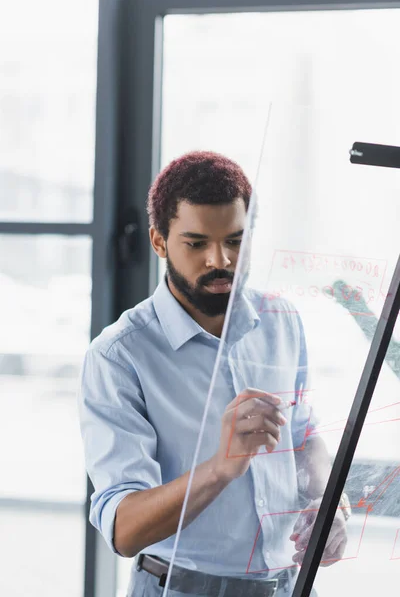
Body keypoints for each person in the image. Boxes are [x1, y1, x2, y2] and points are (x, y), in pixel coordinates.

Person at [78, 151, 348, 597]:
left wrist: (327, 500)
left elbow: (303, 435)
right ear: (159, 241)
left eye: (235, 241)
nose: (219, 260)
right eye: (196, 242)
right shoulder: (118, 356)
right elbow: (123, 527)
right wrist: (221, 468)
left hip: (290, 586)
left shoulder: (281, 319)